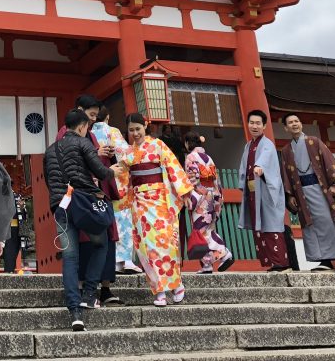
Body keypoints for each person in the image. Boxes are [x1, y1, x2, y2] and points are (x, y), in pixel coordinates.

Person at [44, 107, 122, 331]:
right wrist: (112, 171)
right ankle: (89, 293)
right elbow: (99, 170)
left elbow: (50, 181)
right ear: (81, 126)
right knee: (101, 243)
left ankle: (74, 310)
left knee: (69, 256)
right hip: (83, 202)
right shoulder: (83, 142)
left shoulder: (49, 150)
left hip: (60, 205)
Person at [119, 113, 197, 307]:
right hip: (139, 203)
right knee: (146, 247)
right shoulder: (127, 153)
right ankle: (159, 290)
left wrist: (185, 194)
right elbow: (121, 178)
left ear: (145, 126)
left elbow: (173, 168)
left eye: (138, 128)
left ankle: (177, 285)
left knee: (165, 243)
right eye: (131, 130)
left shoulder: (158, 146)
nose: (135, 133)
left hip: (160, 201)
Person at [279, 113, 335, 271]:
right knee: (310, 225)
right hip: (301, 193)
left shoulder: (314, 141)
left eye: (296, 121)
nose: (294, 124)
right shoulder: (286, 150)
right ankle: (324, 261)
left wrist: (334, 183)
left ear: (301, 124)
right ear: (285, 128)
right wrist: (290, 195)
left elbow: (330, 162)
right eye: (290, 123)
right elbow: (286, 174)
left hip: (321, 189)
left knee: (329, 222)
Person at [73, 96, 124, 306]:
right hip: (85, 196)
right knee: (91, 241)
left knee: (107, 240)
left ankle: (105, 288)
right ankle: (87, 289)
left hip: (100, 194)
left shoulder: (92, 134)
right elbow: (71, 160)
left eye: (95, 115)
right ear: (79, 111)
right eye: (91, 115)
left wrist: (106, 155)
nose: (94, 120)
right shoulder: (68, 134)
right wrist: (96, 153)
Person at [90, 105, 140, 277]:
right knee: (123, 221)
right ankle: (125, 259)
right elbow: (124, 152)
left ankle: (114, 261)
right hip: (117, 182)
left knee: (109, 222)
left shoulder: (90, 133)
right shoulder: (112, 131)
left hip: (99, 184)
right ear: (108, 117)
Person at [238, 109, 291, 272]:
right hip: (254, 192)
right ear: (248, 124)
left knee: (271, 226)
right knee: (259, 226)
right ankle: (272, 263)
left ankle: (281, 262)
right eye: (252, 123)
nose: (254, 126)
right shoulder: (249, 145)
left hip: (266, 191)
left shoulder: (267, 144)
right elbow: (243, 166)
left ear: (264, 125)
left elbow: (265, 158)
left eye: (258, 123)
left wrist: (260, 166)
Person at [182, 131, 233, 273]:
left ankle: (223, 252)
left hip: (200, 198)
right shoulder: (209, 158)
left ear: (187, 143)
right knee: (208, 229)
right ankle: (207, 264)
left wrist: (189, 196)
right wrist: (218, 199)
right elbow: (216, 180)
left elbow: (192, 179)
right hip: (212, 195)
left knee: (200, 231)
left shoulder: (191, 157)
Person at [2, 190, 27, 272]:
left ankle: (10, 271)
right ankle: (8, 272)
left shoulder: (19, 196)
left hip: (18, 229)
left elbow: (24, 216)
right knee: (9, 254)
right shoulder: (4, 196)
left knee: (16, 252)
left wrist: (22, 207)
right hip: (8, 229)